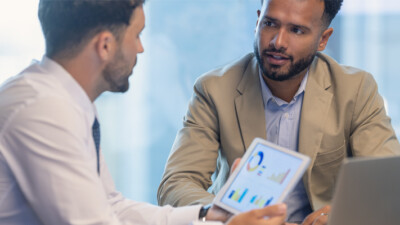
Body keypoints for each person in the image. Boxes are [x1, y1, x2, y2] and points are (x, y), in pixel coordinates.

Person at [0, 0, 288, 224]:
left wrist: (210, 213)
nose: (140, 48)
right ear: (105, 45)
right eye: (137, 35)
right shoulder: (43, 111)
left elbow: (112, 206)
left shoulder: (65, 100)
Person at [158, 0, 400, 224]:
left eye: (296, 30)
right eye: (270, 24)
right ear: (257, 23)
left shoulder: (355, 90)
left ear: (323, 39)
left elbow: (387, 184)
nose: (278, 42)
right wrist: (225, 215)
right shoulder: (214, 90)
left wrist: (338, 215)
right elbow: (176, 184)